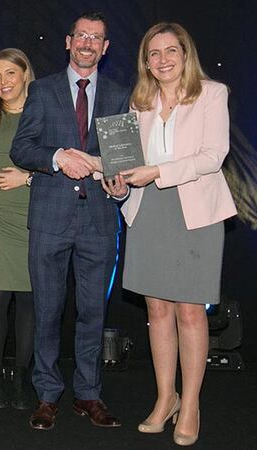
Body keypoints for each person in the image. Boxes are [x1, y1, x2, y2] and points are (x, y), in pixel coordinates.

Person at [94, 22, 236, 447]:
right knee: (157, 311)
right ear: (146, 61)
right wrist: (117, 185)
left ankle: (190, 403)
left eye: (170, 51)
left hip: (196, 209)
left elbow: (213, 156)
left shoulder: (213, 93)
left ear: (185, 54)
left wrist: (156, 171)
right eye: (153, 53)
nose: (162, 60)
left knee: (191, 312)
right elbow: (125, 164)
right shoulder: (138, 103)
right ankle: (165, 398)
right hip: (148, 209)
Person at [9, 11, 130, 431]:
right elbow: (21, 150)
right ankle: (46, 395)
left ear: (105, 47)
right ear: (68, 41)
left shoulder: (119, 96)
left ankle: (88, 394)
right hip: (49, 219)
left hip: (99, 220)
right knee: (47, 310)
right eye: (81, 35)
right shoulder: (40, 91)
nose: (87, 43)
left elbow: (122, 166)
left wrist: (120, 188)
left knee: (94, 312)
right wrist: (58, 158)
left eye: (96, 37)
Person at [0, 48, 36, 410]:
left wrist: (27, 177)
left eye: (10, 74)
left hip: (34, 218)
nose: (3, 83)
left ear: (26, 74)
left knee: (29, 302)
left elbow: (62, 164)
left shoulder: (42, 115)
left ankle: (21, 377)